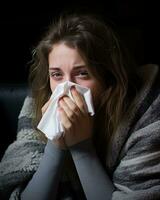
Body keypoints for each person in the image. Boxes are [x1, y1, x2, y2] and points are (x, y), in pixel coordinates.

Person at [0, 13, 160, 200]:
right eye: (57, 75)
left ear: (108, 79)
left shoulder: (147, 116)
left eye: (82, 73)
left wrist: (80, 146)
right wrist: (55, 143)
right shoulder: (37, 105)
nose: (67, 88)